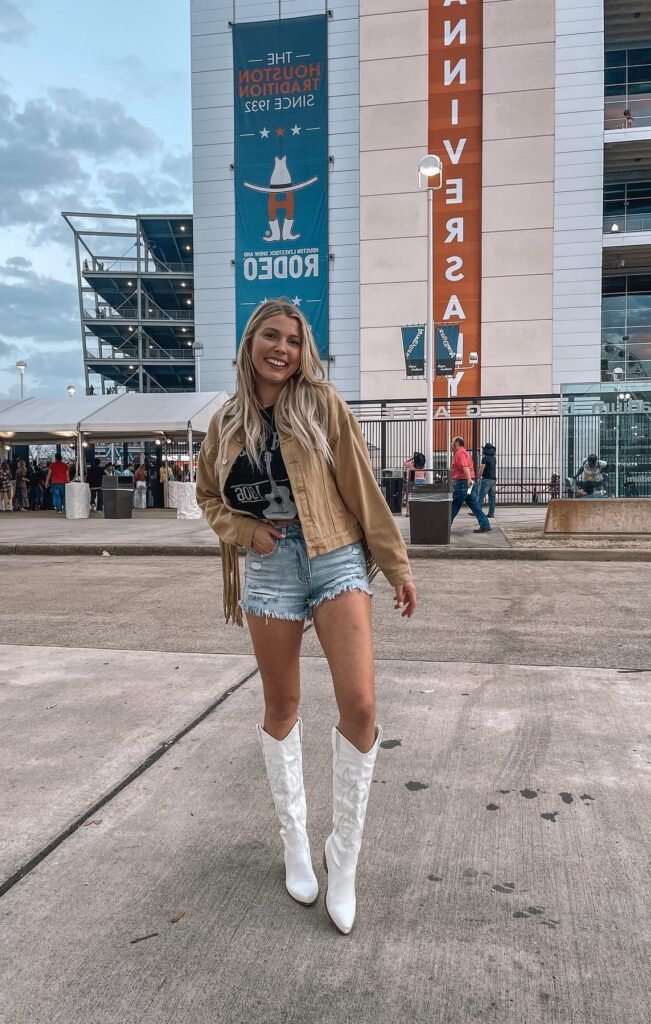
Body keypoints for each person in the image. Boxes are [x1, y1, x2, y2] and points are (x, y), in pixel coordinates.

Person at [196, 298, 417, 936]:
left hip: (335, 555)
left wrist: (395, 563)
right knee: (282, 705)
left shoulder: (321, 404)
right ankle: (296, 840)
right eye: (272, 335)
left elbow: (362, 487)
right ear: (251, 342)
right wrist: (242, 530)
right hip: (268, 567)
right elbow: (209, 496)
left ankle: (341, 853)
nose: (283, 349)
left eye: (294, 340)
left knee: (362, 707)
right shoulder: (228, 423)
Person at [450, 436, 491, 532]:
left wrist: (468, 480)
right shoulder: (464, 452)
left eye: (452, 441)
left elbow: (465, 467)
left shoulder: (459, 453)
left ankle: (444, 525)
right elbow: (459, 468)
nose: (450, 443)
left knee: (455, 504)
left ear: (457, 443)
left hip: (463, 483)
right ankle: (485, 524)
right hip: (468, 482)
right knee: (473, 503)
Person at [476, 443, 496, 518]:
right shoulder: (494, 459)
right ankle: (491, 513)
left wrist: (477, 477)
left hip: (486, 479)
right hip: (493, 479)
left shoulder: (484, 458)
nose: (482, 451)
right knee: (492, 497)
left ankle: (477, 512)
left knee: (480, 495)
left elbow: (481, 469)